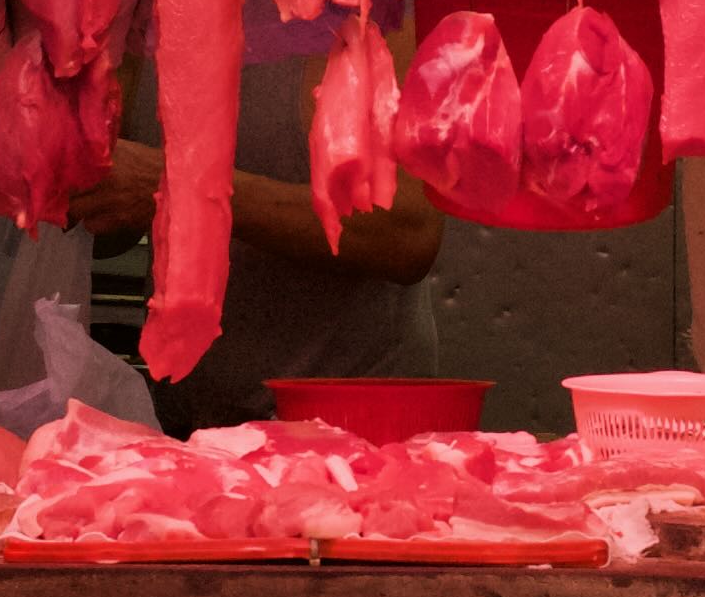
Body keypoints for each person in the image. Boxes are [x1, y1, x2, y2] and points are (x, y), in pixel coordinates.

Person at [89, 30, 445, 430]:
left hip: (349, 433)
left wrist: (189, 191)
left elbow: (406, 233)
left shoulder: (365, 7)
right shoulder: (149, 12)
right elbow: (110, 230)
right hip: (192, 429)